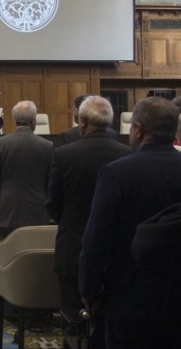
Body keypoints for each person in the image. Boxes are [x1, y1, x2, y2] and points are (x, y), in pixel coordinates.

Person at [78, 96, 181, 349]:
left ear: (139, 130)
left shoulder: (117, 172)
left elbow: (98, 237)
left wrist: (88, 288)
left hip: (130, 299)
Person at [45, 95, 131, 347]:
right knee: (108, 320)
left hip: (73, 244)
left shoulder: (64, 155)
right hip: (117, 251)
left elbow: (52, 203)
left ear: (81, 121)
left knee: (72, 320)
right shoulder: (127, 153)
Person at [0, 100, 54, 239]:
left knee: (6, 259)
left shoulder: (0, 144)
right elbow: (51, 183)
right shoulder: (47, 146)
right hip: (38, 215)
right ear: (33, 120)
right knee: (36, 259)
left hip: (6, 214)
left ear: (14, 120)